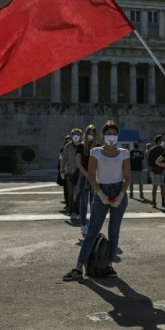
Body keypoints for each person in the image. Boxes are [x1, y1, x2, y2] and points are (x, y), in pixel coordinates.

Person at [63, 120, 130, 280]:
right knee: (92, 232)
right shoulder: (96, 152)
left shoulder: (124, 153)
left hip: (118, 190)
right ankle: (78, 268)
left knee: (114, 232)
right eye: (108, 134)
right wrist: (100, 195)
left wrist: (120, 196)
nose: (111, 137)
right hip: (102, 190)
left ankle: (109, 265)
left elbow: (127, 177)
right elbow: (91, 175)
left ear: (117, 135)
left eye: (114, 134)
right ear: (103, 135)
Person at [75, 124, 97, 238]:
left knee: (94, 203)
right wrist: (87, 174)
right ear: (86, 134)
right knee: (83, 203)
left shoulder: (98, 147)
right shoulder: (80, 147)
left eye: (93, 134)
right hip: (84, 177)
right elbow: (78, 163)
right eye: (89, 134)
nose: (91, 136)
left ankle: (93, 226)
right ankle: (83, 225)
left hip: (95, 177)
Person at [60, 128, 82, 217]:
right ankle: (71, 209)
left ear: (80, 136)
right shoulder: (67, 146)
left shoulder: (82, 146)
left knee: (79, 192)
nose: (76, 136)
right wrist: (62, 170)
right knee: (70, 192)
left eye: (78, 134)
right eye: (74, 134)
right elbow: (64, 159)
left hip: (80, 173)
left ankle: (77, 209)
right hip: (70, 172)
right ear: (72, 136)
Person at [147, 135, 165, 208]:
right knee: (155, 187)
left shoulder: (164, 150)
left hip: (163, 172)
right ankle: (154, 201)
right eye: (162, 140)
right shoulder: (152, 150)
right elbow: (150, 162)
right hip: (155, 172)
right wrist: (151, 172)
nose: (163, 141)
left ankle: (163, 202)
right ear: (158, 141)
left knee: (163, 187)